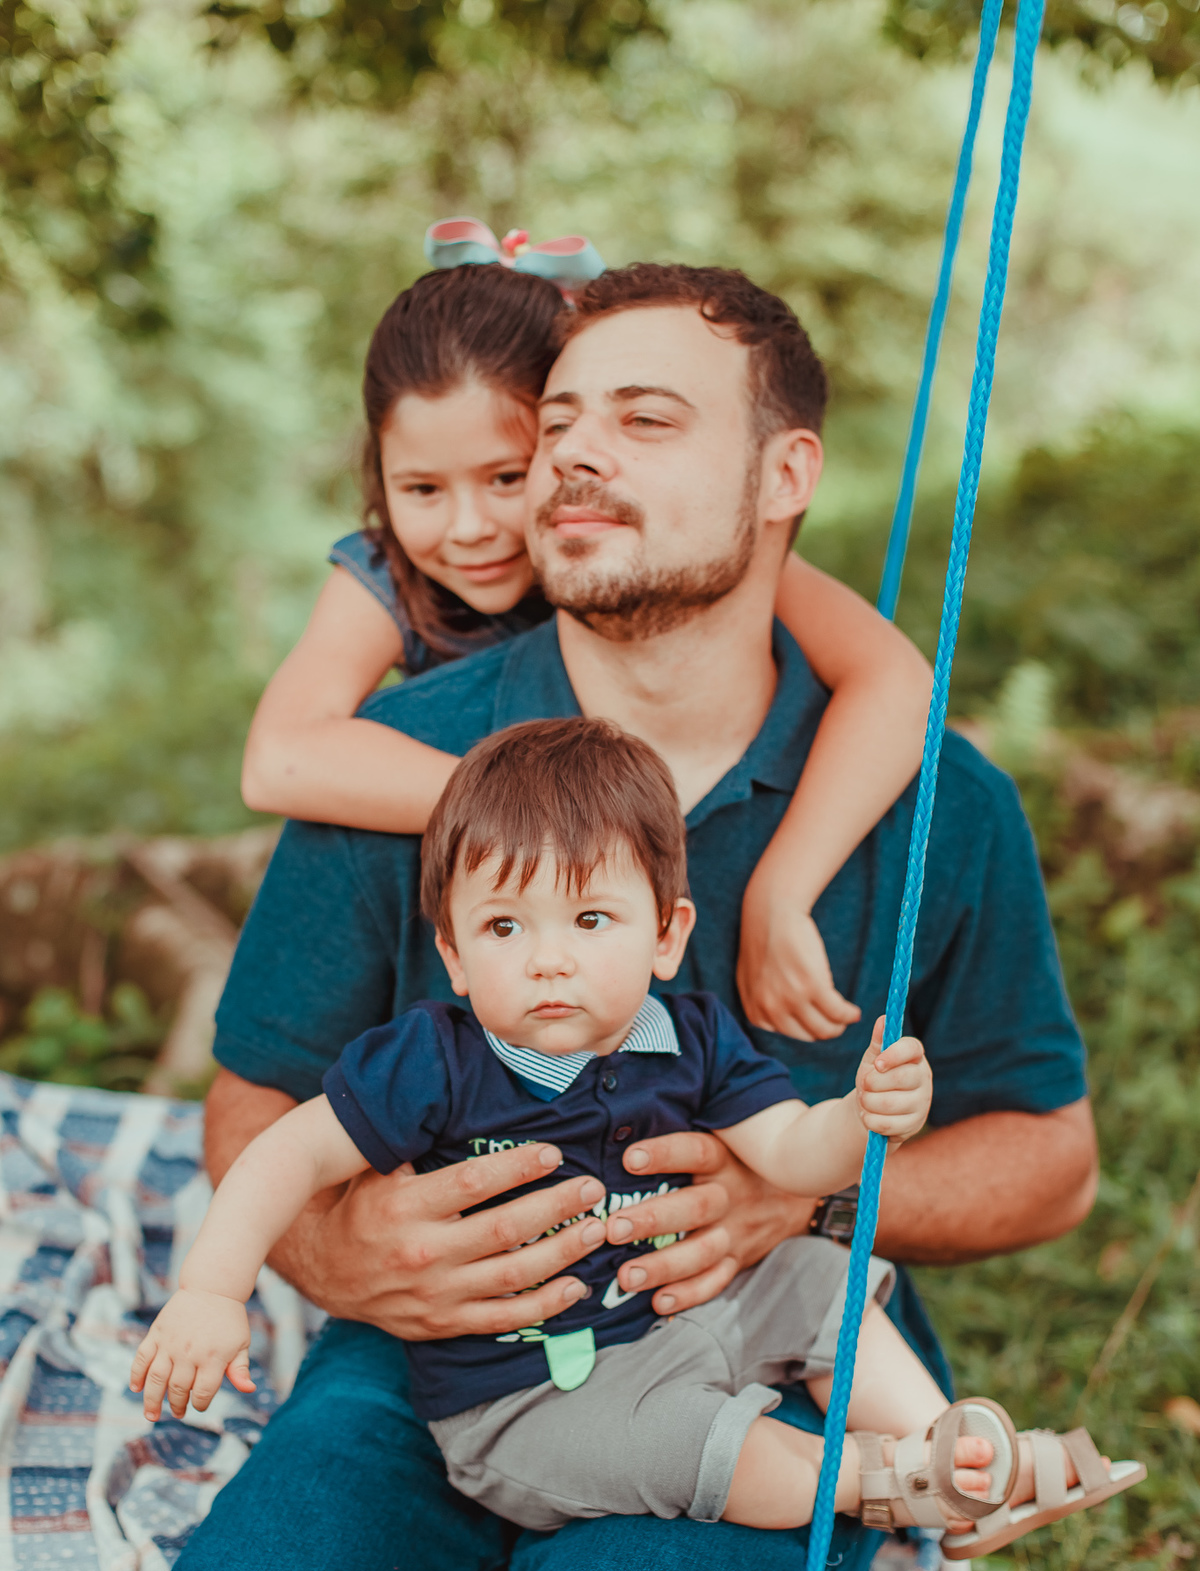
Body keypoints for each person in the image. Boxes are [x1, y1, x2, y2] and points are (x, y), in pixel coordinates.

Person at [13, 263, 1102, 1571]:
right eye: (564, 420)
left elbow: (1050, 1164)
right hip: (431, 1360)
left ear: (785, 474)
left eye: (645, 420)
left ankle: (896, 1479)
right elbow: (254, 1107)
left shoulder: (929, 800)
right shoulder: (407, 763)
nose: (577, 453)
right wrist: (342, 1252)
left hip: (747, 1371)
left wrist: (796, 1199)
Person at [132, 717, 1139, 1555]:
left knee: (815, 1273)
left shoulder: (694, 1038)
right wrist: (212, 1290)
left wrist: (862, 1117)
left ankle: (956, 1456)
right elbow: (288, 1151)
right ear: (454, 953)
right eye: (505, 927)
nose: (549, 961)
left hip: (682, 1317)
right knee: (697, 1448)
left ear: (666, 935)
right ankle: (890, 1482)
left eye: (591, 920)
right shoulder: (434, 1060)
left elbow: (794, 1157)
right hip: (531, 1404)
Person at [240, 255, 935, 1044]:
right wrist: (538, 810)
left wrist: (783, 887)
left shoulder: (662, 536)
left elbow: (893, 676)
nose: (470, 528)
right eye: (423, 489)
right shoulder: (386, 576)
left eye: (507, 477)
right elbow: (279, 759)